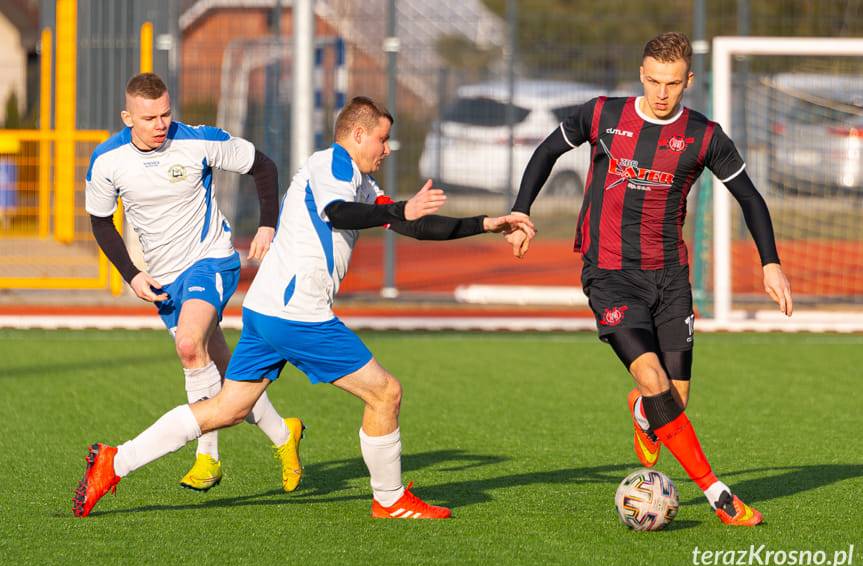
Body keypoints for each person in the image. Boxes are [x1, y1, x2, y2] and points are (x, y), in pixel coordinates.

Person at [72, 95, 535, 519]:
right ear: (358, 135)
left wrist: (486, 223)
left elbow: (411, 226)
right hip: (298, 313)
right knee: (385, 393)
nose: (387, 149)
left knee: (227, 409)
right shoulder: (330, 164)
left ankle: (116, 461)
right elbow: (337, 213)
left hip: (267, 310)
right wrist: (398, 211)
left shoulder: (359, 181)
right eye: (382, 139)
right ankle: (390, 499)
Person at [505, 32, 793, 526]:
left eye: (673, 83)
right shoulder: (602, 115)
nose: (662, 93)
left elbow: (749, 196)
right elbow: (547, 151)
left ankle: (642, 413)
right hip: (611, 275)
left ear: (689, 81)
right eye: (654, 81)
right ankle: (719, 495)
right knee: (654, 380)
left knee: (672, 401)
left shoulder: (704, 136)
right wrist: (520, 210)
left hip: (670, 279)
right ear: (642, 74)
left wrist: (771, 261)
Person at [83, 72, 303, 494]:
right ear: (127, 118)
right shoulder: (107, 160)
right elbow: (101, 222)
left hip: (210, 261)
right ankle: (283, 433)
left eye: (166, 114)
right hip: (164, 280)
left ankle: (208, 458)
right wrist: (131, 273)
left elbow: (263, 166)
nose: (161, 124)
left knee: (188, 345)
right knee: (224, 373)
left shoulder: (198, 140)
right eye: (149, 118)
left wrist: (267, 225)